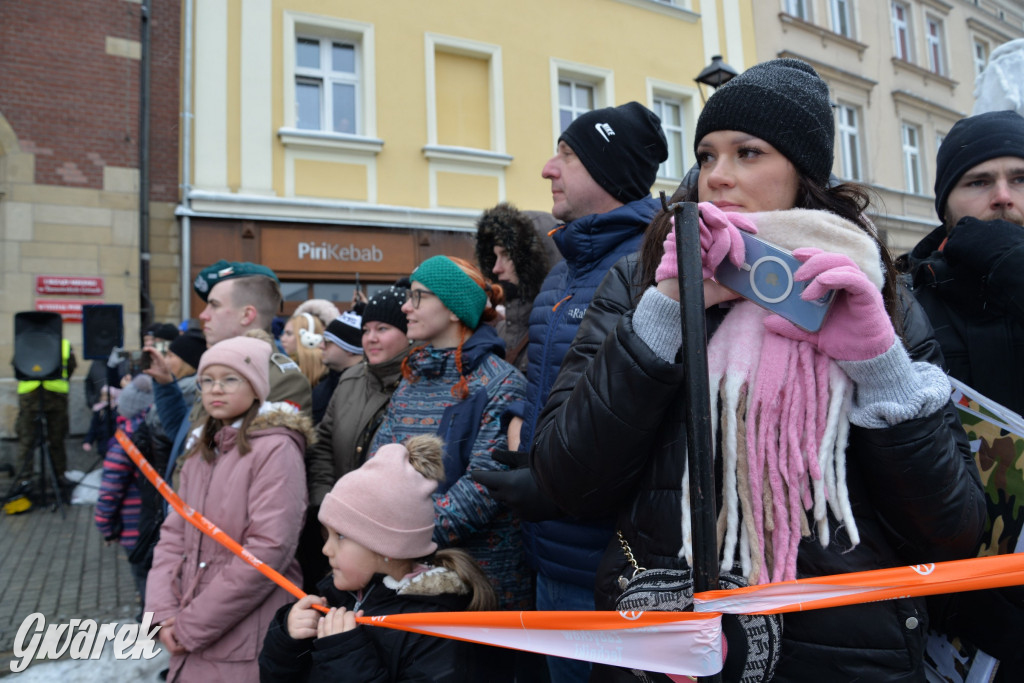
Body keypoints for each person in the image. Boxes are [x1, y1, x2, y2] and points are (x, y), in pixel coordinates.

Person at [530, 58, 986, 681]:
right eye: (707, 154)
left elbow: (952, 532)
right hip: (669, 641)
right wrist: (664, 314)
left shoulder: (874, 289)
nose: (717, 177)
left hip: (840, 654)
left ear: (803, 172)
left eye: (748, 154)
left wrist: (881, 370)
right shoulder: (641, 278)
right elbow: (565, 479)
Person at [480, 101, 667, 683]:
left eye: (567, 155)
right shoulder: (564, 271)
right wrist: (522, 427)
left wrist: (557, 484)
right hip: (547, 545)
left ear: (609, 174)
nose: (547, 169)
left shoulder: (651, 266)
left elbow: (647, 416)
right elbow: (551, 377)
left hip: (609, 559)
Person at [898, 109, 1024, 680]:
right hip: (953, 618)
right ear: (945, 204)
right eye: (978, 182)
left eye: (1021, 179)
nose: (1002, 197)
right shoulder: (903, 301)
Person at [259, 435, 495, 681]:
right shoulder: (331, 599)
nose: (326, 549)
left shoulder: (435, 629)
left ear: (387, 547)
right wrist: (286, 638)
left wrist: (344, 655)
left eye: (339, 536)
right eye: (326, 535)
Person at [146, 335, 311, 682]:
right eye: (207, 380)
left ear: (256, 388)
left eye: (230, 378)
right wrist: (162, 612)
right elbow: (173, 536)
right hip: (191, 618)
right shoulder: (201, 450)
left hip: (245, 631)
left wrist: (192, 624)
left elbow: (268, 550)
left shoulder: (276, 450)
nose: (215, 389)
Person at [370, 256, 529, 614]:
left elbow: (485, 486)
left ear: (455, 309)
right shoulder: (410, 382)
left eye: (418, 296)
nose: (406, 306)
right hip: (404, 572)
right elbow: (378, 465)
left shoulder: (501, 384)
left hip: (480, 582)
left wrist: (398, 536)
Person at [301, 286, 411, 593]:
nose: (371, 338)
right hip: (335, 535)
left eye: (383, 329)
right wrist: (325, 504)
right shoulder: (350, 381)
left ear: (408, 333)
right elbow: (323, 445)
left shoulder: (416, 387)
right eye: (366, 330)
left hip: (388, 544)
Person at [475, 202, 559, 373]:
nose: (495, 268)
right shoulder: (498, 329)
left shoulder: (564, 332)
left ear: (533, 259)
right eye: (494, 256)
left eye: (506, 255)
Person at [94, 376, 151, 618]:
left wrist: (105, 525)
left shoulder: (123, 441)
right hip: (162, 526)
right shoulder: (162, 432)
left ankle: (151, 624)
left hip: (133, 528)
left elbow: (110, 490)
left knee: (143, 577)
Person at [15, 337, 75, 485]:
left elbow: (71, 366)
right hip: (32, 396)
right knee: (27, 439)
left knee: (57, 438)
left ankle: (59, 475)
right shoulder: (24, 342)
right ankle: (24, 480)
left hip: (55, 396)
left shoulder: (64, 344)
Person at [314, 310, 364, 425]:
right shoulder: (323, 385)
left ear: (350, 349)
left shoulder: (367, 387)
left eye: (327, 341)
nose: (321, 346)